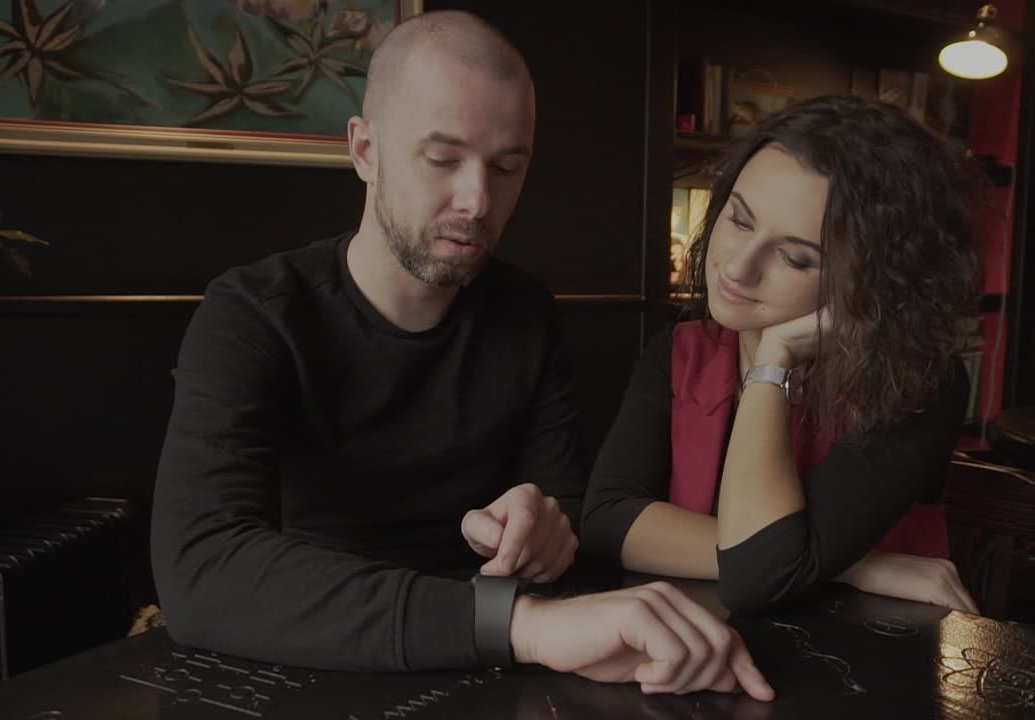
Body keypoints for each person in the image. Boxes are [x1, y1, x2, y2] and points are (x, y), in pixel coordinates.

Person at [151, 10, 773, 700]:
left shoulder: (525, 313)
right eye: (443, 159)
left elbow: (564, 515)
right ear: (364, 150)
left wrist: (543, 532)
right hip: (297, 664)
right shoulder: (253, 314)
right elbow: (202, 570)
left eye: (507, 166)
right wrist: (524, 625)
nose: (478, 200)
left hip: (480, 673)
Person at [582, 95, 981, 616]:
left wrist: (772, 362)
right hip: (702, 644)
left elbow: (759, 573)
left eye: (795, 257)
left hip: (867, 656)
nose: (739, 267)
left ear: (870, 278)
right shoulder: (681, 351)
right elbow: (608, 520)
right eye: (740, 220)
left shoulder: (921, 383)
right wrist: (860, 565)